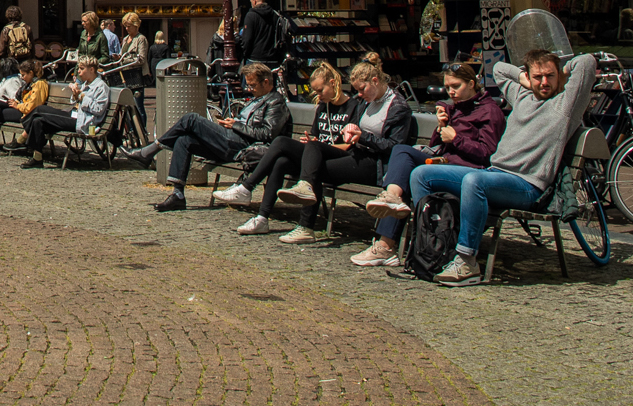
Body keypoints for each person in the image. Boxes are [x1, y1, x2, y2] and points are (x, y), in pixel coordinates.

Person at [409, 48, 599, 284]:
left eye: (550, 76)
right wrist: (524, 79)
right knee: (421, 174)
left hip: (527, 185)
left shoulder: (565, 104)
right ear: (528, 77)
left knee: (473, 181)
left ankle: (467, 262)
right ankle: (429, 248)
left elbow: (588, 62)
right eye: (538, 77)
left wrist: (562, 71)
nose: (544, 82)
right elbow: (499, 69)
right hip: (495, 175)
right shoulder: (522, 96)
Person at [353, 61, 505, 267]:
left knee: (412, 171)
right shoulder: (455, 109)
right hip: (443, 162)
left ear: (471, 84)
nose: (451, 92)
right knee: (402, 152)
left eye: (456, 86)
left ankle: (387, 245)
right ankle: (393, 198)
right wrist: (441, 127)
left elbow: (488, 154)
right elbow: (437, 147)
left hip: (467, 171)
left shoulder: (489, 111)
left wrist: (456, 138)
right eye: (448, 87)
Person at [263, 55, 412, 242]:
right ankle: (303, 192)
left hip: (375, 163)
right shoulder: (366, 102)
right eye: (357, 89)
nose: (359, 93)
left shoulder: (398, 107)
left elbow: (395, 147)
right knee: (313, 148)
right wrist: (352, 132)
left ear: (375, 81)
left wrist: (362, 137)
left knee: (314, 168)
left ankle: (305, 226)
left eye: (362, 88)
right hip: (356, 154)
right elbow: (357, 130)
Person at [129, 62, 291, 211]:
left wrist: (235, 125)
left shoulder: (275, 102)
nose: (250, 89)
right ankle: (177, 194)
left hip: (245, 146)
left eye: (253, 85)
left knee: (191, 119)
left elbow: (267, 134)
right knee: (185, 140)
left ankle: (150, 151)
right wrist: (233, 122)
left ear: (266, 82)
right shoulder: (257, 99)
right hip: (233, 139)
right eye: (248, 85)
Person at [213, 63, 356, 228]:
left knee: (280, 142)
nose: (318, 96)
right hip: (315, 155)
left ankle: (246, 187)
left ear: (333, 83)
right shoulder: (323, 106)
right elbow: (315, 136)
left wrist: (316, 146)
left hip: (337, 158)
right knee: (280, 162)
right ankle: (261, 219)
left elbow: (349, 146)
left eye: (320, 90)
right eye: (315, 91)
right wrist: (310, 141)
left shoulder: (352, 107)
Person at [19, 55, 111, 167]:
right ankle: (37, 159)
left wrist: (81, 96)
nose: (79, 72)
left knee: (40, 110)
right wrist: (75, 94)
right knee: (37, 121)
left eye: (82, 69)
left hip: (83, 122)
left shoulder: (101, 87)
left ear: (91, 69)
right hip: (74, 114)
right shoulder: (85, 84)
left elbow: (99, 109)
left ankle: (22, 138)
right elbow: (75, 101)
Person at [0, 59, 50, 156]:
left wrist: (18, 106)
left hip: (28, 115)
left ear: (31, 73)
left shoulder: (39, 84)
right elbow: (24, 99)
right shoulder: (31, 83)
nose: (22, 77)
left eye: (24, 75)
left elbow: (33, 106)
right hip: (24, 111)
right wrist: (15, 102)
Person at [116, 12, 152, 111]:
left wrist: (124, 60)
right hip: (125, 74)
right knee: (127, 105)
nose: (126, 29)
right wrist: (118, 57)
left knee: (138, 105)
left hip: (137, 75)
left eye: (129, 26)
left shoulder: (141, 39)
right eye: (125, 26)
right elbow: (122, 54)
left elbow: (141, 59)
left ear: (136, 25)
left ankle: (141, 126)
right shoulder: (126, 39)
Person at [237, 0, 284, 65]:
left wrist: (243, 54)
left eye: (251, 2)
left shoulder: (251, 15)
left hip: (255, 58)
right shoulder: (274, 15)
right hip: (272, 57)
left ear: (254, 1)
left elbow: (247, 39)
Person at [0, 6, 33, 73]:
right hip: (26, 58)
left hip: (12, 60)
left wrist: (1, 59)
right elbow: (32, 45)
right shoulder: (27, 27)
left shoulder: (6, 30)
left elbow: (2, 49)